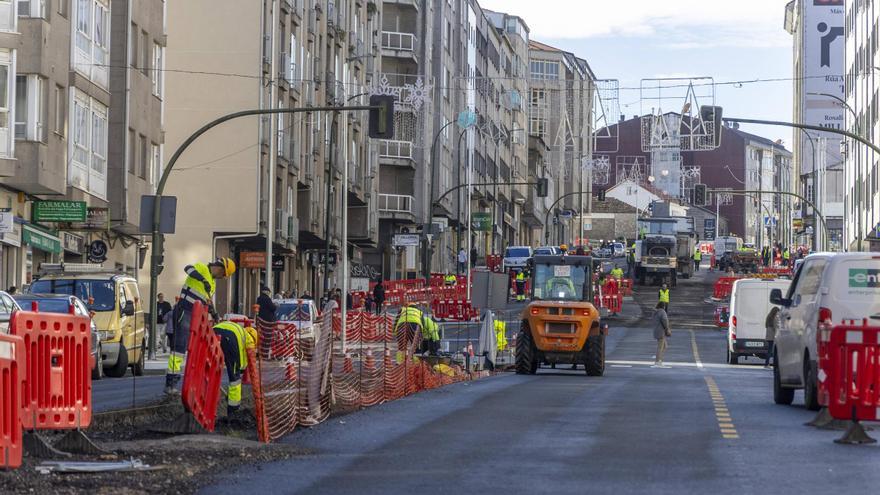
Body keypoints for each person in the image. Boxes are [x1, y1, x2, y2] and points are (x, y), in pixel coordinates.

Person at [165, 257, 236, 394]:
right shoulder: (202, 268)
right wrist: (202, 279)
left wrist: (214, 313)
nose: (221, 277)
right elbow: (188, 268)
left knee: (194, 348)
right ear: (220, 268)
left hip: (196, 316)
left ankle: (195, 383)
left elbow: (206, 301)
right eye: (222, 275)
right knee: (179, 348)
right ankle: (171, 383)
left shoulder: (213, 284)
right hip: (184, 311)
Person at [212, 320, 258, 418]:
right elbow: (242, 363)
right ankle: (233, 410)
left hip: (213, 332)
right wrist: (238, 372)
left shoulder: (239, 330)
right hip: (230, 340)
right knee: (235, 381)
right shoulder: (249, 338)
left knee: (210, 369)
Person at [652, 302, 671, 367]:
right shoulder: (662, 312)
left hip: (656, 331)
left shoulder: (655, 312)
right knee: (660, 347)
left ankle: (659, 359)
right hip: (661, 331)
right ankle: (657, 362)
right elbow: (665, 320)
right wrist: (667, 328)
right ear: (663, 306)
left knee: (665, 346)